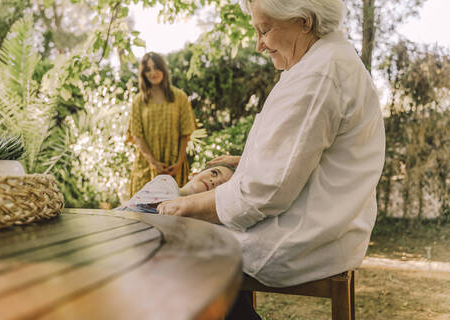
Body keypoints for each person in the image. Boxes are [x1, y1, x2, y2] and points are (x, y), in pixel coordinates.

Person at [156, 0, 386, 318]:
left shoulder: (318, 75)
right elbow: (306, 151)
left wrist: (182, 207)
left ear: (305, 21)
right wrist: (247, 159)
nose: (259, 45)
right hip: (331, 225)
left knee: (170, 251)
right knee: (190, 249)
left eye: (265, 30)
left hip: (306, 237)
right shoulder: (323, 58)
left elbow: (263, 194)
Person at [127, 52, 196, 198]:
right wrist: (153, 163)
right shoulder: (138, 101)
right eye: (148, 69)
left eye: (156, 67)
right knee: (143, 213)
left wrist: (178, 163)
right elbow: (137, 135)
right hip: (147, 166)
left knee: (175, 212)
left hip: (174, 166)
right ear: (143, 74)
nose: (153, 73)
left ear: (163, 69)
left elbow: (186, 132)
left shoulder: (180, 97)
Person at [116, 163, 235, 213]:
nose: (214, 181)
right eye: (214, 173)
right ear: (194, 174)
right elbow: (170, 210)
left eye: (222, 186)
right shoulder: (166, 181)